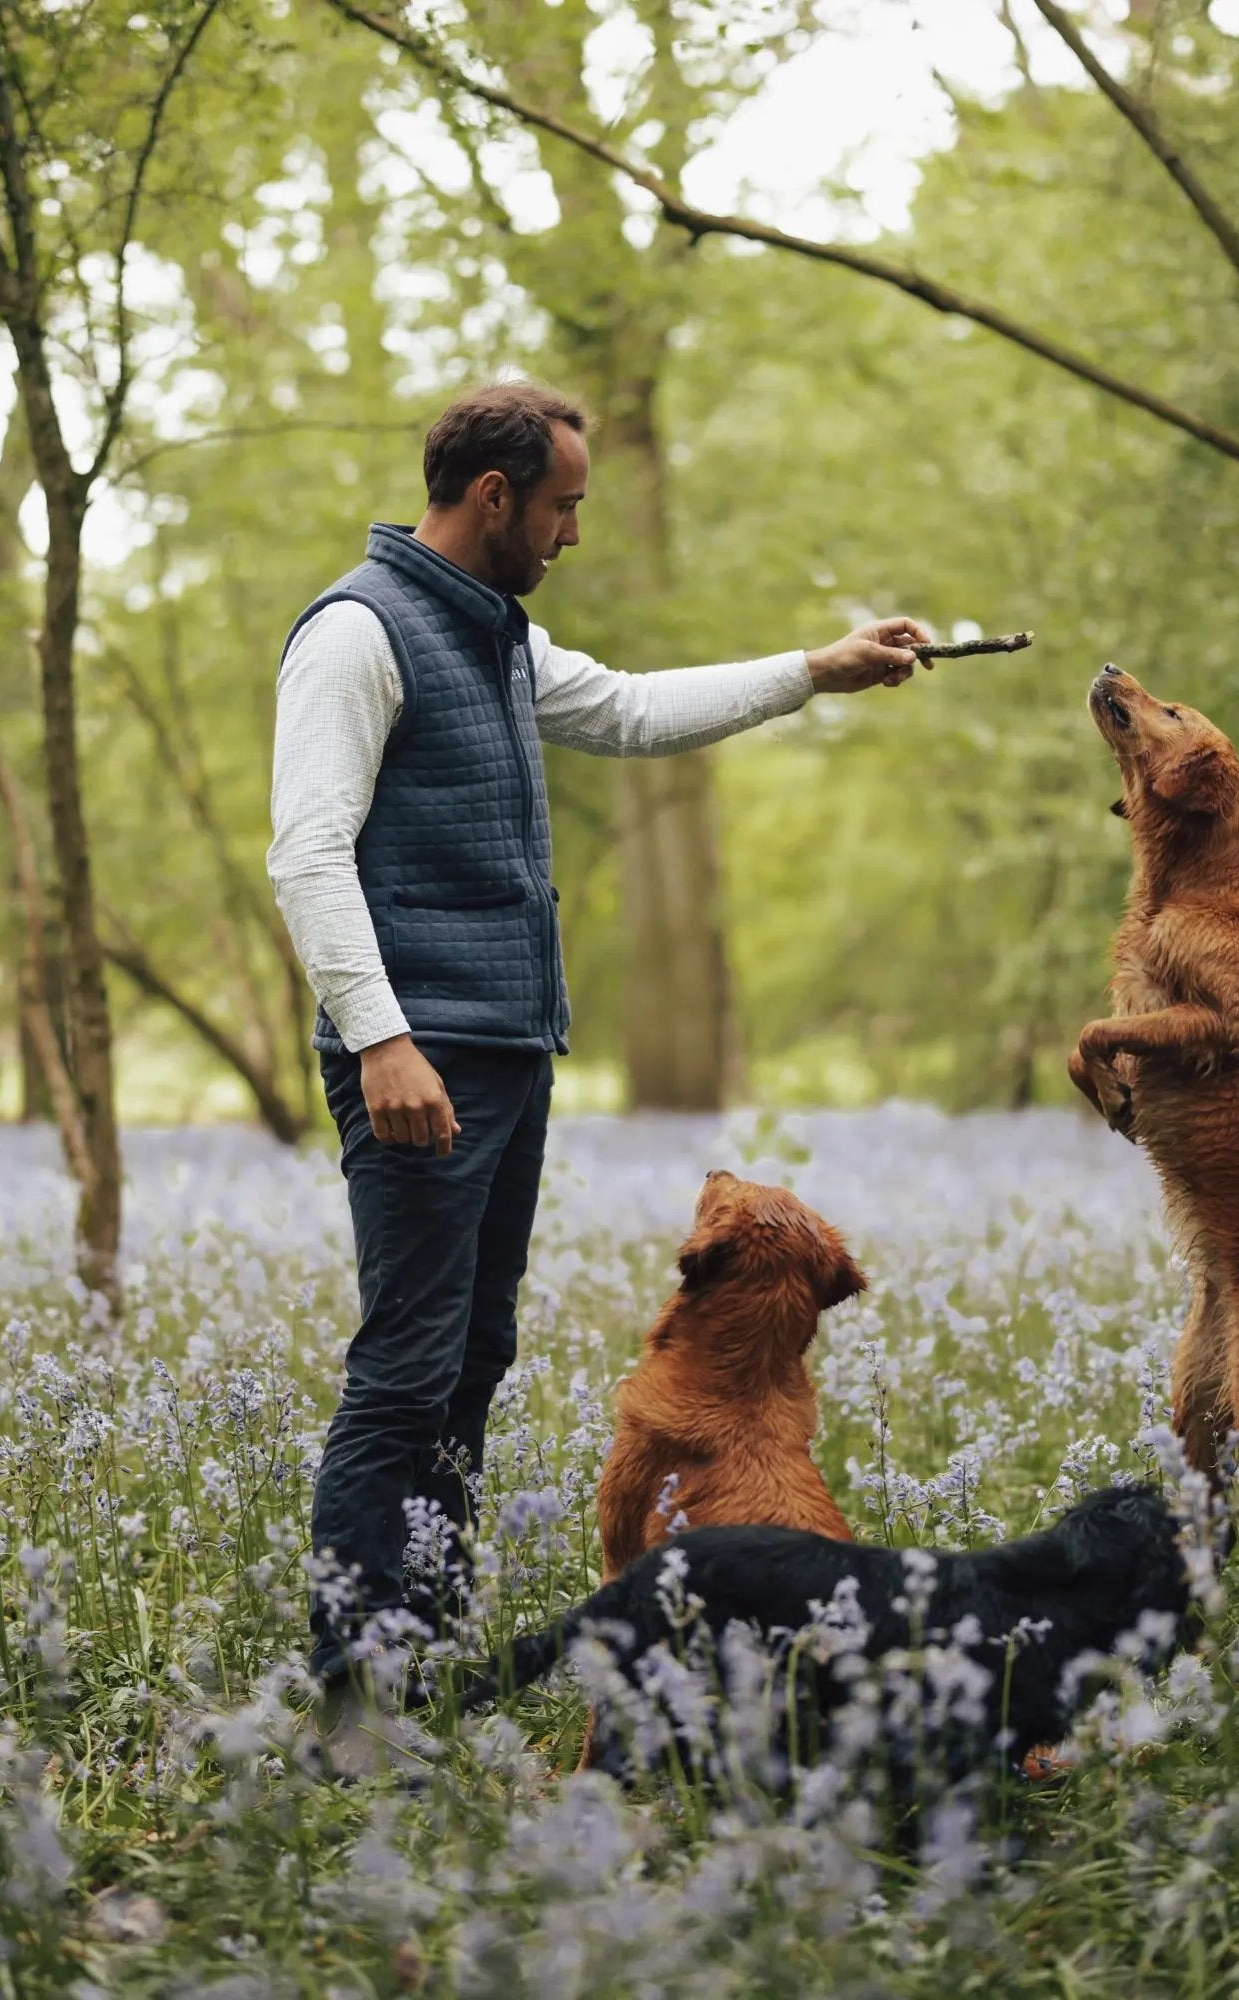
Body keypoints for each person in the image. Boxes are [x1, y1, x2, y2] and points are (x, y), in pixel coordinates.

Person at [268, 379, 930, 1697]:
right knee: (406, 1367)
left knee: (475, 1353)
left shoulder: (498, 637)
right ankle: (347, 1688)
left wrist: (818, 669)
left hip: (505, 1049)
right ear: (495, 495)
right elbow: (306, 855)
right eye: (563, 504)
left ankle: (432, 1641)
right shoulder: (357, 635)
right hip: (417, 1058)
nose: (575, 532)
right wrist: (383, 1040)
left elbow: (630, 712)